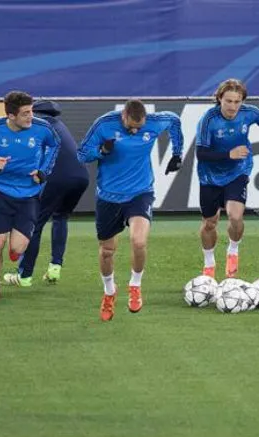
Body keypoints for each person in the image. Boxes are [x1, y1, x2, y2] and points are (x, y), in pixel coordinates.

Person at [78, 99, 184, 321]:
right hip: (109, 196)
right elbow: (82, 154)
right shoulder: (104, 124)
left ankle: (135, 286)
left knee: (139, 242)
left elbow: (174, 121)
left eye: (139, 126)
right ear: (123, 116)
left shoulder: (155, 122)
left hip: (140, 192)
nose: (135, 130)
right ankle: (109, 292)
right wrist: (101, 151)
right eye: (131, 127)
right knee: (107, 251)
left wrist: (177, 153)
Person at [196, 79, 259, 279]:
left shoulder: (250, 113)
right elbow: (201, 153)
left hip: (238, 171)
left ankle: (233, 250)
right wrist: (228, 154)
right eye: (228, 101)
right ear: (219, 99)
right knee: (209, 223)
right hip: (210, 176)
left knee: (235, 216)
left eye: (237, 101)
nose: (233, 106)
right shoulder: (208, 120)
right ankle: (209, 262)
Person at [0, 91, 60, 300]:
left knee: (17, 248)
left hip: (29, 194)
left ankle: (15, 250)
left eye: (31, 111)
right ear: (11, 116)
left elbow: (54, 145)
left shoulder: (42, 128)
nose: (30, 116)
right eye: (25, 113)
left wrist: (43, 172)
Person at [3, 100, 89, 287]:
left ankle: (24, 276)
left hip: (58, 178)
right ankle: (55, 268)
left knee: (34, 224)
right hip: (81, 176)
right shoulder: (58, 125)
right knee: (61, 217)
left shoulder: (35, 126)